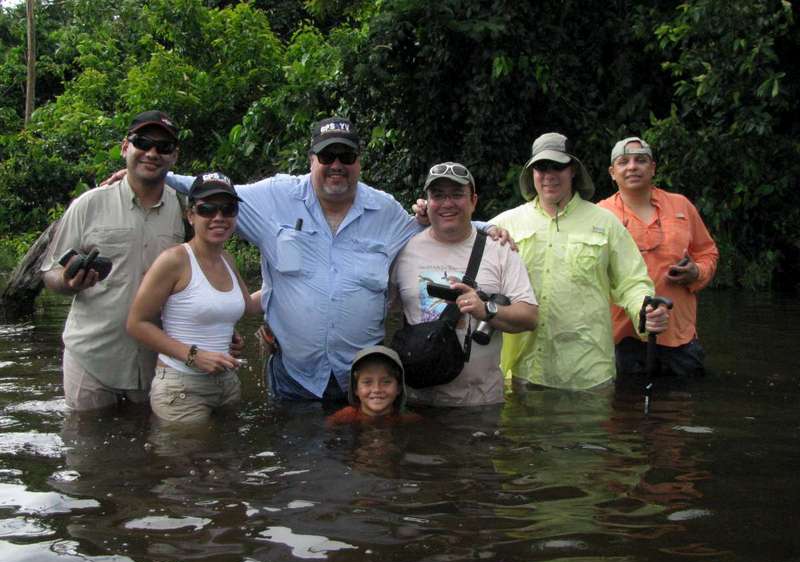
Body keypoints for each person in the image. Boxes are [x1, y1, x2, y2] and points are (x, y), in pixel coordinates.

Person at [157, 117, 505, 404]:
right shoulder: (272, 197)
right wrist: (151, 178)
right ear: (311, 160)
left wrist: (488, 227)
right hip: (293, 377)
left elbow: (434, 223)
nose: (336, 165)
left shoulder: (384, 210)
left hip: (362, 383)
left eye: (346, 155)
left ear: (358, 161)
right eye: (327, 156)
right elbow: (205, 190)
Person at [489, 133, 669, 391]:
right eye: (541, 167)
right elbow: (460, 248)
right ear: (531, 173)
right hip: (518, 373)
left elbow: (633, 283)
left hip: (587, 376)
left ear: (573, 170)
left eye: (558, 166)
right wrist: (425, 220)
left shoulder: (606, 223)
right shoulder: (503, 224)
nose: (549, 175)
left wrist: (646, 311)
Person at [41, 111, 187, 410]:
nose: (152, 153)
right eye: (143, 143)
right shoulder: (89, 204)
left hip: (156, 359)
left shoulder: (185, 209)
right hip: (92, 356)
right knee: (86, 449)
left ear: (174, 157)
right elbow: (50, 272)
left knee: (155, 452)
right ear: (125, 147)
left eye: (163, 147)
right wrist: (69, 281)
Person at [391, 162, 539, 406]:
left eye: (457, 194)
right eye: (438, 195)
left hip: (481, 404)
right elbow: (380, 311)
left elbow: (530, 317)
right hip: (417, 405)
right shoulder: (404, 249)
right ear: (427, 203)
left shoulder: (500, 249)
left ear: (473, 200)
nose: (447, 203)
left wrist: (487, 310)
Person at [126, 173, 262, 423]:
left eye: (228, 209)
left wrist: (293, 280)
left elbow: (250, 305)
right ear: (190, 216)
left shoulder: (228, 260)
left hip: (227, 382)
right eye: (207, 209)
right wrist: (193, 355)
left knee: (228, 458)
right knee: (189, 457)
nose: (218, 217)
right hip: (181, 387)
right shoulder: (174, 260)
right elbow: (136, 323)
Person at [598, 137, 719, 376]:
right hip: (621, 336)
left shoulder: (681, 205)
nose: (632, 167)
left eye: (640, 160)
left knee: (681, 408)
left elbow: (707, 252)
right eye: (623, 162)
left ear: (652, 168)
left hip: (679, 335)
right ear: (613, 172)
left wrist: (696, 272)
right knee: (622, 410)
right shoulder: (599, 214)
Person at [325, 346, 419, 426]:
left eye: (386, 382)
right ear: (355, 389)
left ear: (399, 388)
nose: (377, 389)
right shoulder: (346, 416)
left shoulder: (408, 419)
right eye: (367, 382)